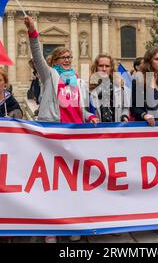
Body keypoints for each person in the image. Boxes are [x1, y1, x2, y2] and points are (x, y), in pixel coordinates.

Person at [25, 15, 98, 243]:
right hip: (54, 133)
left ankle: (72, 222)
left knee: (73, 182)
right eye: (62, 57)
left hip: (75, 133)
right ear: (54, 60)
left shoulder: (78, 80)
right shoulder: (50, 75)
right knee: (52, 182)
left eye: (69, 56)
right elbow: (37, 55)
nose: (67, 59)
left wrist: (90, 116)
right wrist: (33, 32)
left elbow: (79, 108)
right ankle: (51, 228)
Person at [89, 54, 130, 123]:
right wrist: (91, 117)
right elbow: (85, 110)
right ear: (96, 67)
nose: (104, 69)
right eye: (101, 66)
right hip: (96, 129)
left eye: (107, 66)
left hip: (116, 129)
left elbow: (125, 108)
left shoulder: (120, 87)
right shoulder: (88, 89)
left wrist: (124, 116)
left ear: (111, 68)